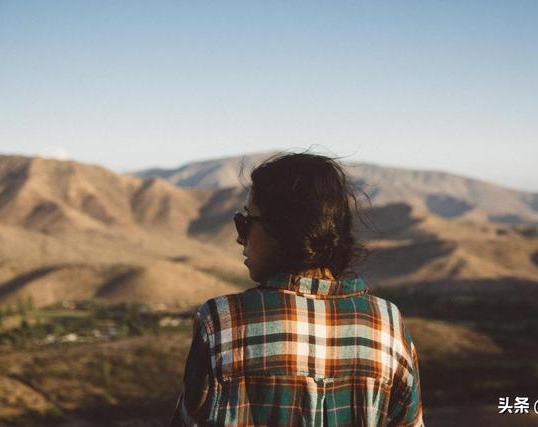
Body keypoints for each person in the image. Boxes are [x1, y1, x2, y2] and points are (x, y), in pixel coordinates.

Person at [169, 152, 424, 426]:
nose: (239, 238)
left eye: (245, 223)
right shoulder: (387, 325)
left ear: (283, 229)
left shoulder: (222, 322)